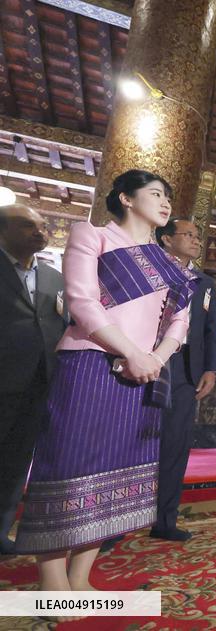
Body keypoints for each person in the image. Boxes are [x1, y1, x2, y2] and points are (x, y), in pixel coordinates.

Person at [15, 170, 197, 597]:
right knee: (69, 466)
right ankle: (52, 585)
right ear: (126, 198)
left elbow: (179, 322)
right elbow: (82, 302)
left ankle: (81, 578)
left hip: (144, 372)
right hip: (89, 363)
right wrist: (131, 352)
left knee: (114, 473)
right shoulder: (93, 236)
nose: (165, 202)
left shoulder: (169, 265)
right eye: (155, 193)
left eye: (168, 196)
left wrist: (153, 358)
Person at [0, 204, 66, 555]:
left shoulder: (54, 278)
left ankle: (1, 531)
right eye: (28, 225)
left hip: (39, 384)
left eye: (43, 225)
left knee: (16, 463)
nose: (40, 232)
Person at [151, 218, 216, 541]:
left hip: (185, 367)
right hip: (146, 358)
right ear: (167, 239)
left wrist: (211, 369)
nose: (196, 240)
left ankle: (165, 521)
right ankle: (115, 524)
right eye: (189, 235)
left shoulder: (204, 282)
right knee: (131, 439)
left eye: (198, 235)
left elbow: (212, 330)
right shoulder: (150, 270)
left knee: (176, 443)